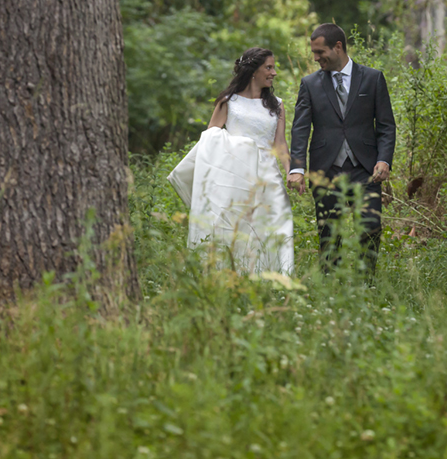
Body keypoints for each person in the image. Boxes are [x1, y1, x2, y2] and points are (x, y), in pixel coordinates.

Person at [168, 47, 294, 274]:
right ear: (253, 71)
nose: (274, 72)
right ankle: (238, 277)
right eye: (269, 67)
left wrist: (291, 171)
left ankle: (277, 280)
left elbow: (280, 144)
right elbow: (210, 139)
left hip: (269, 175)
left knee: (276, 227)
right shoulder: (229, 101)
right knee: (239, 228)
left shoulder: (277, 104)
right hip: (236, 175)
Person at [287, 24, 396, 274]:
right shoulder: (310, 84)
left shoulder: (372, 77)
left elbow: (387, 125)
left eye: (319, 51)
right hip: (326, 170)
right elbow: (300, 129)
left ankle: (366, 288)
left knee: (369, 231)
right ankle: (329, 291)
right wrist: (297, 167)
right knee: (329, 236)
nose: (315, 58)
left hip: (366, 170)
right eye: (313, 52)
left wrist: (384, 160)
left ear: (338, 47)